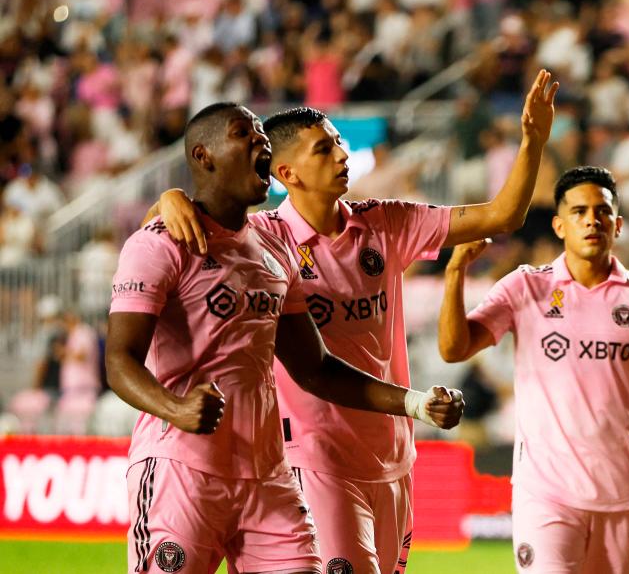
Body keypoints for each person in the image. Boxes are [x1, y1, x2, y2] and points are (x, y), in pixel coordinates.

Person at [146, 71, 559, 573]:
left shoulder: (384, 222)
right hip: (312, 459)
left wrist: (533, 141)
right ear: (286, 173)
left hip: (392, 453)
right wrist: (168, 198)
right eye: (324, 149)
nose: (343, 155)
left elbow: (502, 215)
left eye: (339, 142)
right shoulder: (263, 237)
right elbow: (174, 230)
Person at [108, 102, 464, 574]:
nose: (260, 141)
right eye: (244, 133)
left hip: (268, 476)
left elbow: (316, 368)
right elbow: (119, 361)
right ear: (204, 155)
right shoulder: (160, 242)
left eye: (261, 133)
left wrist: (416, 404)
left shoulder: (276, 248)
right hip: (182, 468)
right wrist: (175, 408)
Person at [438, 166, 629, 573]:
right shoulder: (525, 287)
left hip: (623, 494)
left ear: (617, 225)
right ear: (559, 225)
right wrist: (455, 271)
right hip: (546, 493)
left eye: (602, 212)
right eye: (579, 211)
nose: (591, 220)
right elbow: (455, 349)